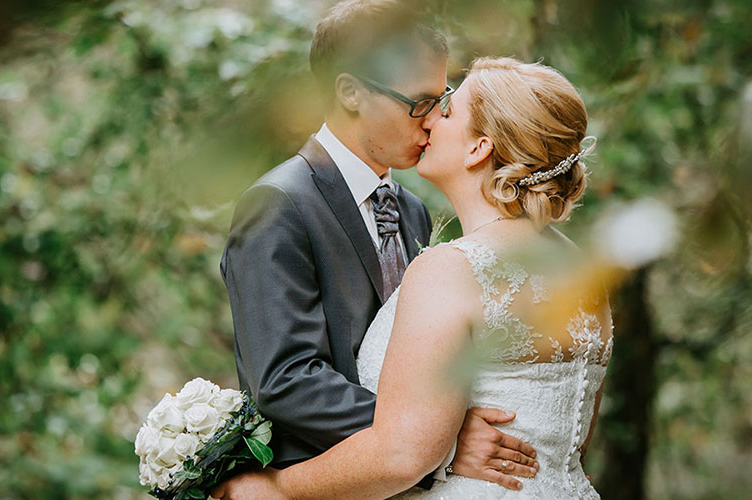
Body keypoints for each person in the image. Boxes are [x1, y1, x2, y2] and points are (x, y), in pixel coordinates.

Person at [213, 56, 612, 500]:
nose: (428, 120)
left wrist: (275, 490)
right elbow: (570, 429)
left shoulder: (451, 266)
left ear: (479, 148)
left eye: (446, 109)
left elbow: (403, 454)